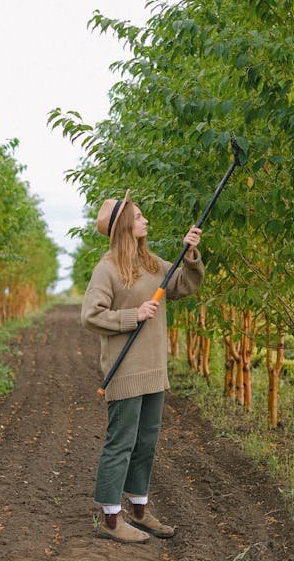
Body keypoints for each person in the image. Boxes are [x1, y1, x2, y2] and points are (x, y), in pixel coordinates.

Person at [81, 190, 204, 543]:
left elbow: (183, 284)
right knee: (121, 442)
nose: (145, 221)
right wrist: (132, 316)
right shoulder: (107, 269)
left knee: (146, 441)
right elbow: (91, 316)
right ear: (123, 227)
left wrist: (191, 253)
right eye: (138, 217)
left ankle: (138, 509)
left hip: (153, 367)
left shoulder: (151, 263)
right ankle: (110, 519)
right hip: (125, 369)